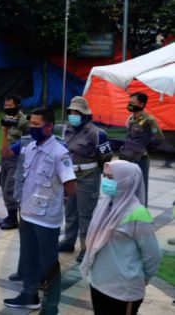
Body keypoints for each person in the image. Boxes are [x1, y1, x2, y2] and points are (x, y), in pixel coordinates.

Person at [4, 107, 76, 313]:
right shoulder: (30, 147)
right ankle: (29, 295)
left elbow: (71, 186)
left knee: (49, 264)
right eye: (31, 123)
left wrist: (61, 199)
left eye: (36, 124)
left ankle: (50, 306)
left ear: (49, 127)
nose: (32, 127)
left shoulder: (60, 153)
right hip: (27, 213)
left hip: (46, 219)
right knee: (29, 258)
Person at [80, 160, 160, 315]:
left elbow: (153, 254)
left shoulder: (138, 214)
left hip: (123, 290)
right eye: (105, 176)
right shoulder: (104, 205)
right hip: (98, 283)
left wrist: (145, 276)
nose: (106, 181)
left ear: (126, 181)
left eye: (111, 177)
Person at [59, 96, 113, 262]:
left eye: (77, 112)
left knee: (85, 214)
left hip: (88, 177)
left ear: (84, 114)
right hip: (70, 176)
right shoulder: (67, 130)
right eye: (71, 112)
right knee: (70, 211)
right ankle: (68, 241)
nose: (73, 115)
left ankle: (86, 247)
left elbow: (106, 157)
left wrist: (96, 171)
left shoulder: (97, 133)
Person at [119, 92, 164, 204]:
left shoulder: (148, 120)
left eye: (132, 102)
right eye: (129, 102)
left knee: (141, 189)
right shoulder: (131, 118)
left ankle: (142, 213)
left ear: (141, 104)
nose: (130, 104)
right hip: (127, 157)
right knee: (128, 188)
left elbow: (159, 137)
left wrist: (145, 149)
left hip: (140, 159)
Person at [0, 94, 29, 230]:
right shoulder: (7, 118)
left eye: (10, 105)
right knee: (3, 184)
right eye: (5, 105)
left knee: (10, 189)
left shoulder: (24, 121)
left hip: (17, 159)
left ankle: (13, 218)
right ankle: (10, 215)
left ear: (17, 106)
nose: (7, 108)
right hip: (5, 158)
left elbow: (28, 141)